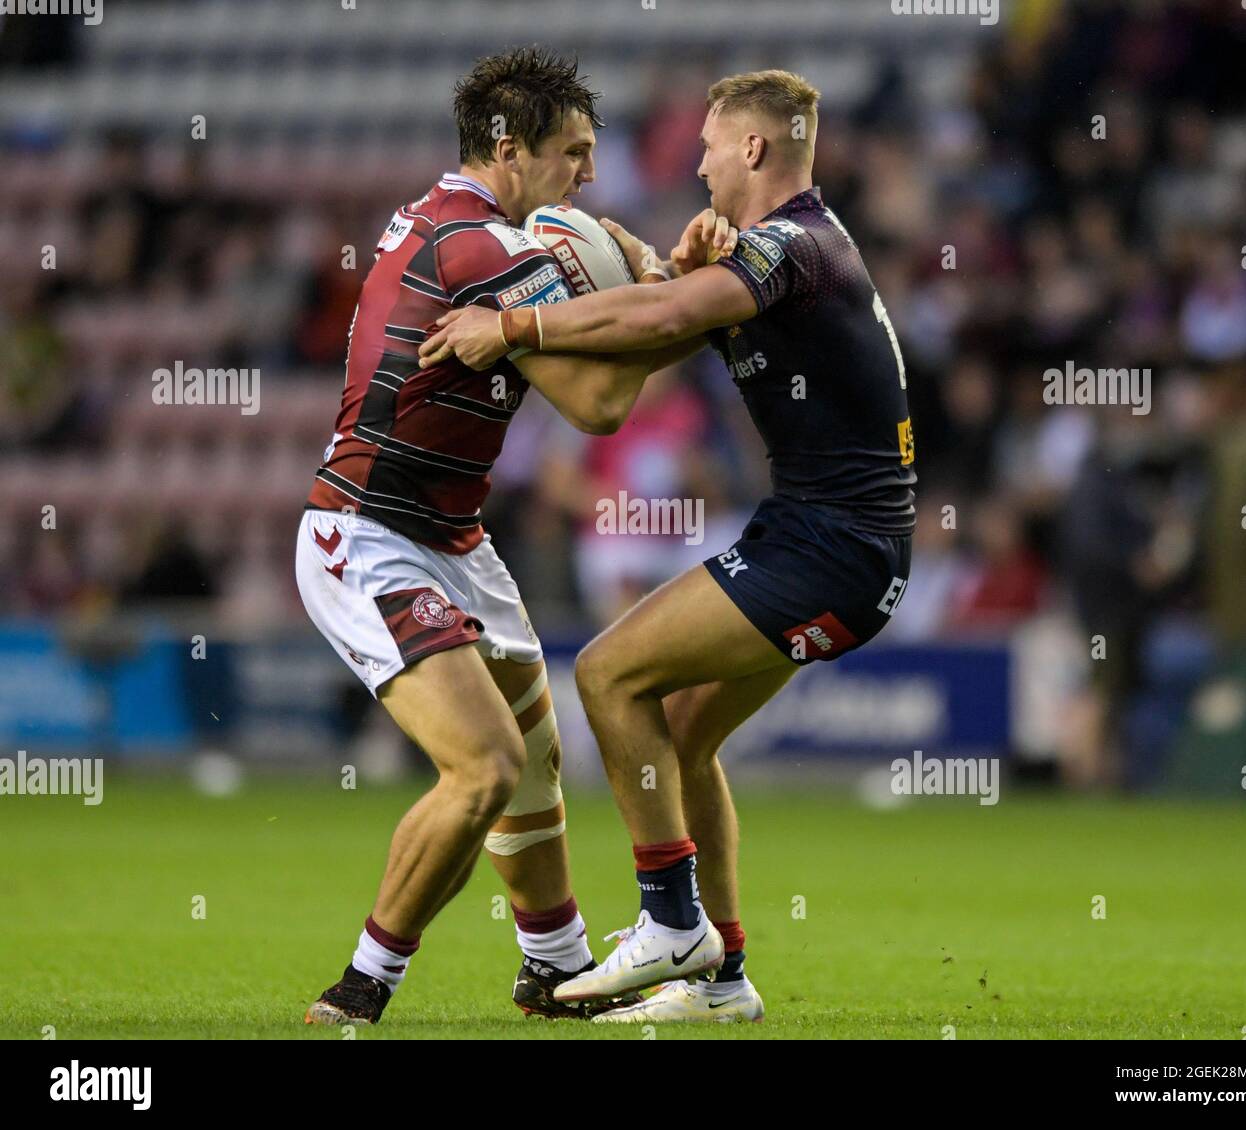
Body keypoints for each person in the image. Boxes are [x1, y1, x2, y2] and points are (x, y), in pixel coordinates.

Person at [421, 69, 918, 1023]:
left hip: (833, 547)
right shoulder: (790, 250)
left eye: (707, 144)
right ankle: (721, 982)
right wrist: (680, 271)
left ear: (755, 150)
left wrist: (513, 323)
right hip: (831, 539)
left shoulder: (792, 244)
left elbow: (661, 322)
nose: (694, 162)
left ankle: (669, 921)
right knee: (684, 740)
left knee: (608, 676)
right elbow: (668, 319)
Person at [296, 47, 727, 1026]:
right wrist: (696, 307)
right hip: (366, 533)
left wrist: (650, 299)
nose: (586, 173)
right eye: (572, 151)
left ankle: (553, 966)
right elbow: (603, 406)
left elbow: (594, 377)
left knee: (533, 762)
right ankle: (359, 988)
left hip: (452, 537)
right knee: (485, 766)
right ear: (508, 146)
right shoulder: (486, 250)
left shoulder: (435, 219)